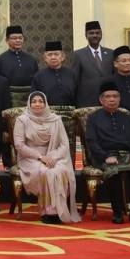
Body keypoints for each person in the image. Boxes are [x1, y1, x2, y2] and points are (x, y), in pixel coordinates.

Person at [85, 81, 130, 225]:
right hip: (105, 155)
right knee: (114, 173)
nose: (112, 99)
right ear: (101, 100)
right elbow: (92, 142)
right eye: (108, 97)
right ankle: (118, 212)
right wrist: (106, 156)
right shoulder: (93, 118)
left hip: (128, 155)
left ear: (119, 99)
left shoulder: (127, 118)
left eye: (115, 96)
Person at [13, 91, 80, 224]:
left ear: (45, 103)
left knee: (59, 171)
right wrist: (40, 157)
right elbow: (19, 145)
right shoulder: (22, 120)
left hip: (53, 156)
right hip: (30, 158)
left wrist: (53, 157)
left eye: (40, 101)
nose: (37, 104)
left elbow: (64, 144)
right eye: (34, 101)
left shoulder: (55, 120)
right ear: (29, 104)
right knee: (45, 171)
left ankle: (56, 211)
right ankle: (46, 210)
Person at [73, 21, 114, 107]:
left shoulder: (111, 53)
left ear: (101, 34)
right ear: (86, 35)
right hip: (87, 100)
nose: (95, 35)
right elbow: (75, 80)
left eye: (97, 33)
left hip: (108, 99)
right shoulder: (78, 54)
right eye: (91, 33)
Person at [30, 41, 78, 107]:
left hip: (71, 111)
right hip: (47, 114)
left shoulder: (71, 74)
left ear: (62, 57)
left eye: (56, 54)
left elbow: (78, 95)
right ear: (45, 58)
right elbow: (34, 98)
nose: (53, 57)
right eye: (49, 54)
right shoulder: (38, 76)